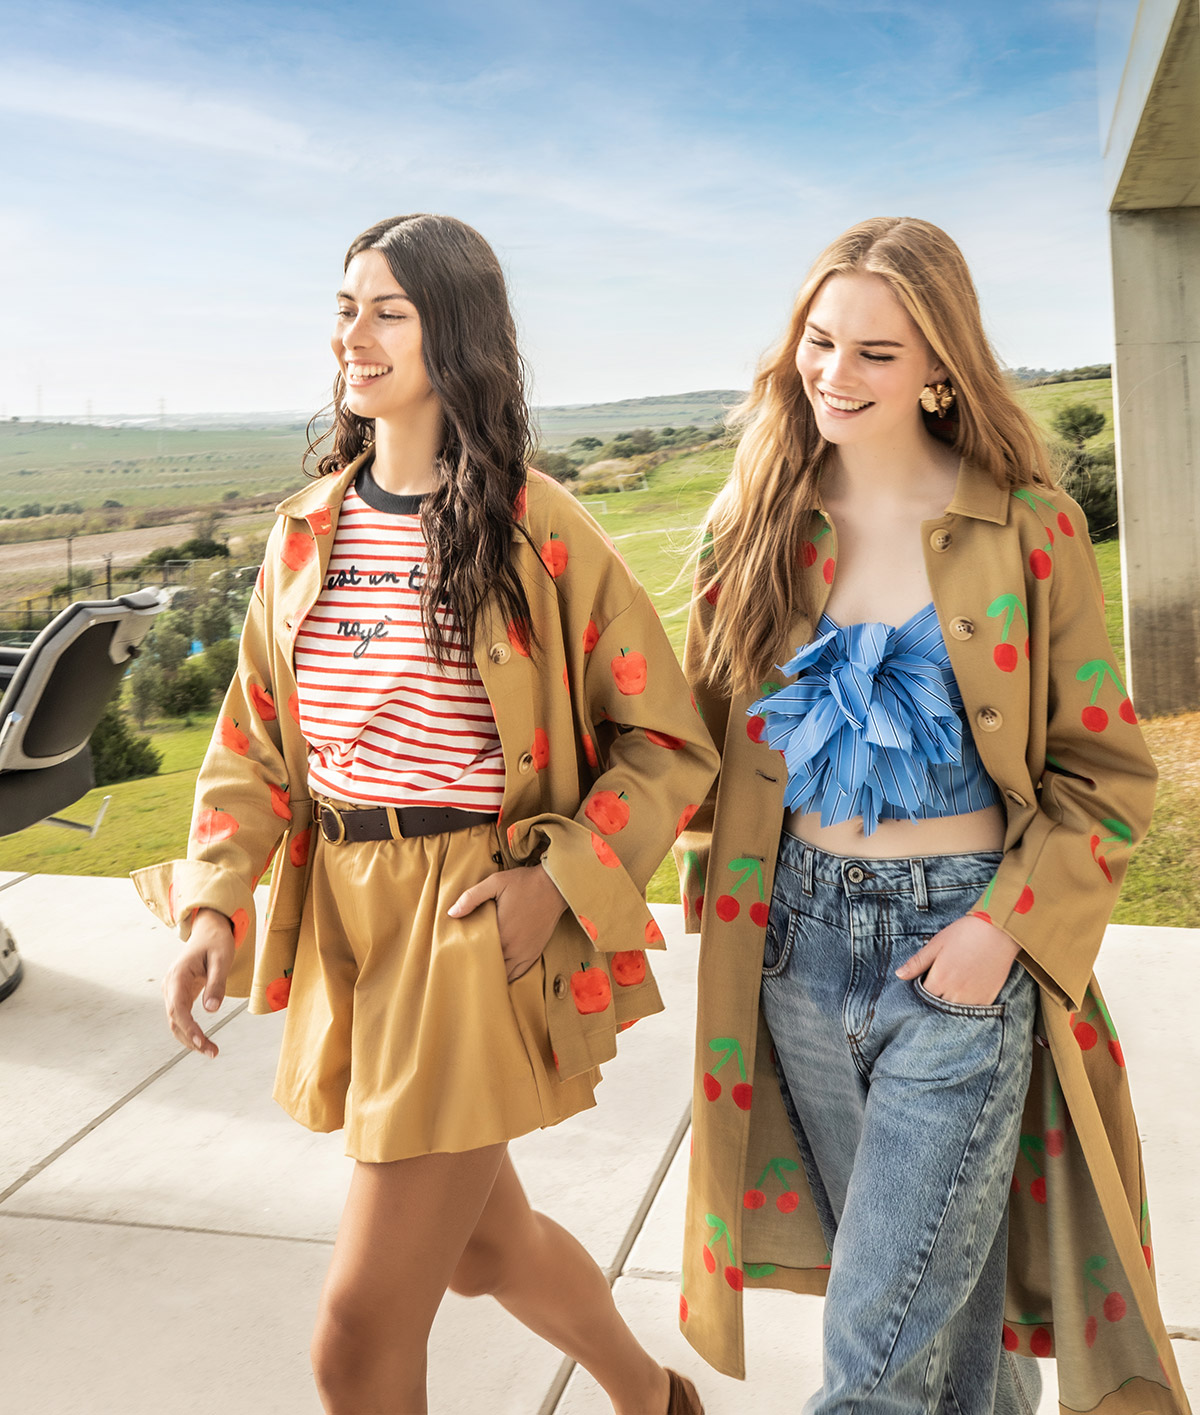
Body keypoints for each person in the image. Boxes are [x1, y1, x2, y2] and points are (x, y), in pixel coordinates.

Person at [134, 213, 716, 1415]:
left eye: (387, 310)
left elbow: (668, 739)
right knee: (481, 1250)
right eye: (345, 306)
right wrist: (211, 906)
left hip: (467, 921)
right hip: (349, 920)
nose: (354, 333)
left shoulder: (539, 529)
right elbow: (250, 748)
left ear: (454, 335)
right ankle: (659, 1401)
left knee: (354, 1340)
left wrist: (558, 877)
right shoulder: (303, 532)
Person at [675, 217, 1189, 1414]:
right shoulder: (750, 526)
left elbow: (1104, 772)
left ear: (942, 368)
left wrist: (1002, 932)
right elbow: (676, 750)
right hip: (795, 953)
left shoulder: (1028, 527)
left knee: (875, 1363)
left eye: (878, 352)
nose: (835, 376)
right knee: (947, 1329)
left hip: (958, 953)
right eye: (820, 341)